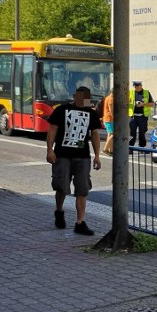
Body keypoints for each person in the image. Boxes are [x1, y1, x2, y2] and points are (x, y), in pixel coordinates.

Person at [46, 86, 102, 235]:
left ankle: (80, 222)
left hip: (82, 157)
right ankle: (59, 211)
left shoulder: (91, 113)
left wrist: (97, 155)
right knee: (62, 186)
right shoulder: (61, 110)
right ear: (74, 96)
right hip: (62, 155)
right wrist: (50, 150)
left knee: (82, 189)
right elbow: (52, 130)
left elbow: (95, 134)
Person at [129, 80, 154, 149]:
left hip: (142, 116)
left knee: (142, 133)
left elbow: (152, 103)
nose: (136, 88)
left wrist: (143, 104)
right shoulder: (130, 92)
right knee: (131, 133)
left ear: (141, 86)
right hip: (132, 116)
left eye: (137, 87)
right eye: (135, 87)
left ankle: (142, 147)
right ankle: (130, 147)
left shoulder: (146, 92)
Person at [102, 89, 115, 156]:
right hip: (109, 119)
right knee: (113, 134)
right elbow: (111, 110)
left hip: (107, 119)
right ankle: (105, 149)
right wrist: (115, 118)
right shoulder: (111, 99)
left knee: (110, 134)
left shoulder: (108, 97)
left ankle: (111, 151)